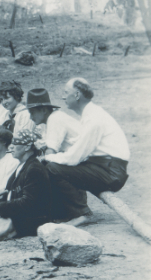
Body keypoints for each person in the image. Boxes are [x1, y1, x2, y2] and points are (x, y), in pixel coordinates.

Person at [43, 78, 130, 226]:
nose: (63, 97)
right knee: (57, 165)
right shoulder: (90, 114)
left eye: (66, 92)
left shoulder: (93, 118)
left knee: (53, 167)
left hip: (111, 172)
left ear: (77, 95)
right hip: (105, 167)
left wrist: (48, 157)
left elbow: (73, 158)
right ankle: (65, 213)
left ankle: (81, 214)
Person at [25, 88, 80, 155]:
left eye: (32, 112)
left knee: (49, 164)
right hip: (79, 156)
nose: (31, 117)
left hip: (87, 159)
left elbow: (51, 151)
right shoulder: (53, 118)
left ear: (44, 110)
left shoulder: (55, 119)